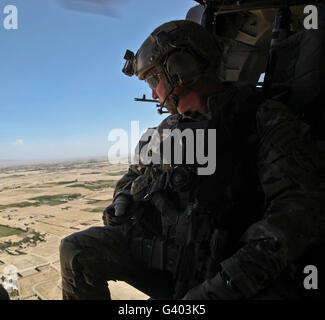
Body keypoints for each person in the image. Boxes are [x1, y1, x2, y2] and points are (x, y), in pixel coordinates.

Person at [59, 20, 325, 300]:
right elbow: (132, 177)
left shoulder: (263, 120)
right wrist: (123, 199)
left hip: (228, 271)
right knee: (77, 250)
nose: (152, 93)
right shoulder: (164, 132)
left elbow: (298, 216)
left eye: (153, 79)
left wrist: (226, 285)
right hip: (166, 259)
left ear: (179, 69)